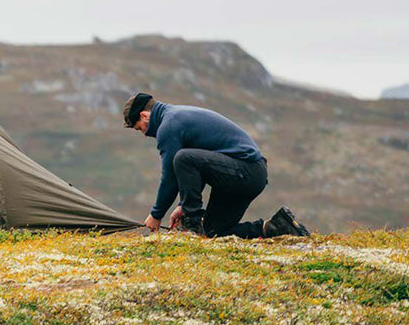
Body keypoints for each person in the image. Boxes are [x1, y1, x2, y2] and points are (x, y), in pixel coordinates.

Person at [123, 91, 310, 239]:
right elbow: (200, 167)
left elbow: (171, 175)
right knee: (214, 232)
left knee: (182, 158)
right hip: (245, 174)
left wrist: (156, 215)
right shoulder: (176, 117)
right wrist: (182, 205)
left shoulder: (169, 125)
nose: (145, 134)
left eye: (140, 128)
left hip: (247, 170)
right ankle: (276, 227)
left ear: (144, 115)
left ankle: (192, 226)